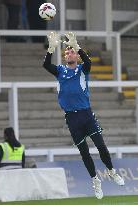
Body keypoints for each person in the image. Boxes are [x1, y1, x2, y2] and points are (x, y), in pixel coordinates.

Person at [43, 31, 125, 199]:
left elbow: (88, 61)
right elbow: (46, 65)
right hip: (72, 118)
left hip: (86, 114)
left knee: (101, 146)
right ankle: (95, 180)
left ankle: (111, 171)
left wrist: (78, 46)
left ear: (76, 55)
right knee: (84, 152)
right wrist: (51, 48)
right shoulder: (60, 71)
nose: (68, 53)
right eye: (66, 52)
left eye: (71, 51)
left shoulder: (82, 69)